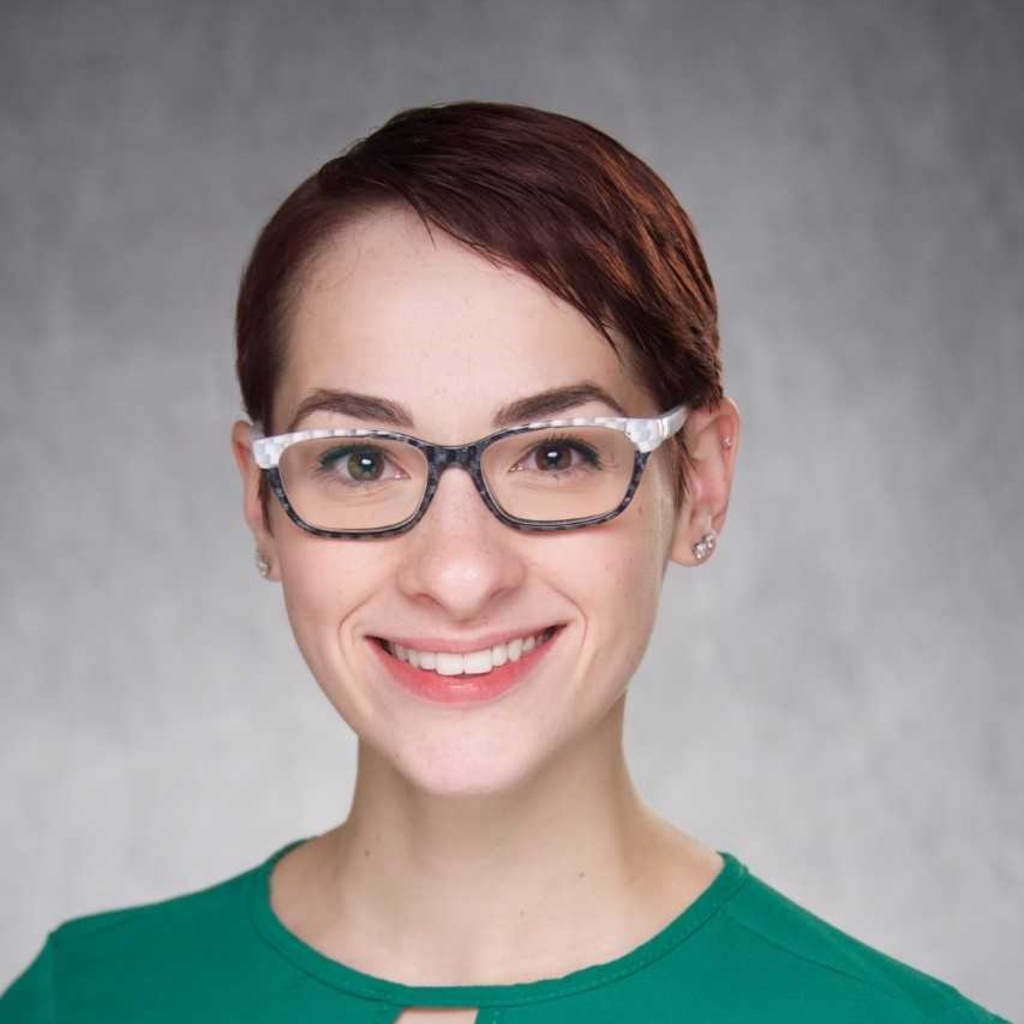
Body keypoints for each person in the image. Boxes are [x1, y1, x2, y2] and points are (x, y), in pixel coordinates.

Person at [1, 102, 1011, 1024]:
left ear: (698, 477)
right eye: (360, 460)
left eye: (556, 453)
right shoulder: (78, 1002)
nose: (457, 574)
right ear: (261, 504)